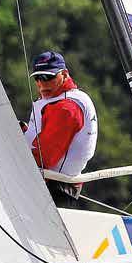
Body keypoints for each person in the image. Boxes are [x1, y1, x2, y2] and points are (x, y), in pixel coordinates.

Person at [22, 51, 98, 208]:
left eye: (48, 77)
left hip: (54, 189)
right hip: (53, 184)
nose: (42, 83)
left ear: (64, 74)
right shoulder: (60, 99)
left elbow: (44, 158)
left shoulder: (66, 108)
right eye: (37, 78)